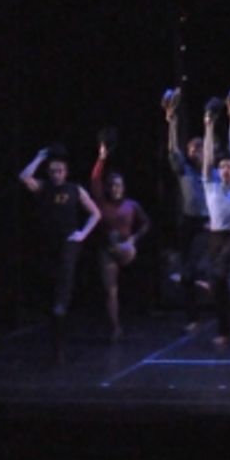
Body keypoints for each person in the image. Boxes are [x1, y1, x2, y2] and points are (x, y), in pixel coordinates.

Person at [19, 146, 101, 360]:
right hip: (48, 245)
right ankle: (56, 334)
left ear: (65, 172)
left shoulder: (75, 189)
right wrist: (39, 157)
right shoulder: (43, 187)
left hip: (68, 242)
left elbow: (95, 213)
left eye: (59, 171)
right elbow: (24, 177)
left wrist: (83, 234)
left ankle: (60, 309)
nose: (56, 174)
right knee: (49, 285)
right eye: (53, 171)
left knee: (63, 285)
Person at [90, 142, 151, 342]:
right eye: (112, 185)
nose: (115, 189)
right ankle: (115, 327)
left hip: (126, 248)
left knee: (122, 249)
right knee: (111, 290)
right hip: (107, 250)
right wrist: (102, 158)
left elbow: (145, 224)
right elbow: (95, 179)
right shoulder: (102, 203)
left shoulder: (131, 205)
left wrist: (134, 238)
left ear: (123, 187)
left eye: (119, 185)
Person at [163, 89, 211, 331]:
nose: (195, 151)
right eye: (192, 148)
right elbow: (173, 151)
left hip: (207, 223)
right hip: (188, 222)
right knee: (188, 273)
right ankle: (193, 317)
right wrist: (171, 123)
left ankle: (202, 280)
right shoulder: (185, 170)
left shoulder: (212, 172)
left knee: (194, 267)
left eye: (199, 148)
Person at [199, 102, 230, 347]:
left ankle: (211, 278)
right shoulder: (211, 184)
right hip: (215, 236)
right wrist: (209, 127)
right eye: (223, 166)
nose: (225, 169)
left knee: (217, 273)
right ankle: (225, 330)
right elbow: (207, 158)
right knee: (220, 286)